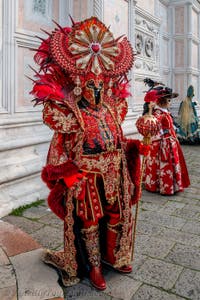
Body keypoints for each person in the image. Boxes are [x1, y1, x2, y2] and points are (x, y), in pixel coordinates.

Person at [30, 16, 146, 290]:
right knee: (90, 221)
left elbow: (115, 140)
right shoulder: (71, 113)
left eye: (101, 85)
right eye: (91, 85)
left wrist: (135, 148)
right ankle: (93, 268)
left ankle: (115, 257)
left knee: (118, 214)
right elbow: (58, 151)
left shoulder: (112, 109)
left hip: (114, 174)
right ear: (81, 83)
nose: (96, 90)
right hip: (87, 176)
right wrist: (68, 176)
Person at [143, 87, 190, 195]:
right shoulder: (158, 113)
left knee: (170, 163)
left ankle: (170, 185)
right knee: (164, 163)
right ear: (162, 101)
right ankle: (163, 186)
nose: (169, 102)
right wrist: (164, 135)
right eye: (168, 100)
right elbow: (152, 126)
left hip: (170, 141)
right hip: (163, 143)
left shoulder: (165, 112)